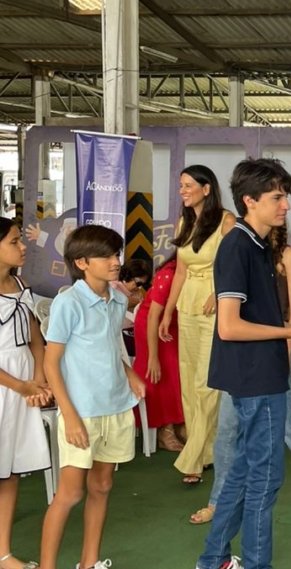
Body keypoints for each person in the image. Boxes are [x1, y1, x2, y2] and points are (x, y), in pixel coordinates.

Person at [195, 158, 291, 569]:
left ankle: (213, 559)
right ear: (249, 201)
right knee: (264, 479)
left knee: (241, 472)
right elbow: (230, 326)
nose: (286, 205)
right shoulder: (239, 246)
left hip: (257, 374)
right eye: (277, 197)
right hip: (255, 377)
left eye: (285, 196)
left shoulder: (256, 245)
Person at [188, 221, 291, 527]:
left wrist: (288, 345)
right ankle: (219, 501)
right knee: (228, 430)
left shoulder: (288, 255)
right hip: (242, 354)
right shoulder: (241, 252)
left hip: (277, 347)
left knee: (286, 423)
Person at [40, 225, 146, 569]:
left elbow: (108, 346)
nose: (115, 261)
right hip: (81, 412)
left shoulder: (118, 299)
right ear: (82, 262)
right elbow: (51, 362)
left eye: (116, 254)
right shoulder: (68, 302)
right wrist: (69, 415)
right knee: (70, 493)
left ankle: (89, 562)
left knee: (102, 487)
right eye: (106, 256)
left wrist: (129, 373)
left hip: (116, 406)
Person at [159, 165, 236, 485]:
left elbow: (237, 265)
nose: (183, 191)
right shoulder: (185, 222)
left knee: (207, 383)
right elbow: (180, 271)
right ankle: (207, 451)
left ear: (207, 189)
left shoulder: (227, 222)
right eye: (181, 185)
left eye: (188, 185)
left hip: (214, 307)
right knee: (190, 383)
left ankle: (193, 459)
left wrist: (219, 293)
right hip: (187, 306)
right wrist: (167, 313)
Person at [0, 218, 51, 569]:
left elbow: (36, 340)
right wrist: (22, 386)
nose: (23, 247)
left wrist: (38, 381)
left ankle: (3, 552)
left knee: (11, 468)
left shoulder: (20, 284)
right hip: (8, 386)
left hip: (23, 387)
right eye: (15, 241)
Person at [133, 253, 185, 452]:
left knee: (178, 372)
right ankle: (165, 429)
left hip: (174, 325)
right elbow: (153, 316)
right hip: (151, 325)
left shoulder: (200, 270)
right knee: (161, 372)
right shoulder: (169, 273)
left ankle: (179, 423)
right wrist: (153, 357)